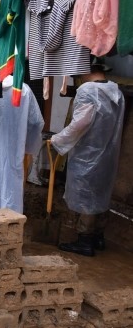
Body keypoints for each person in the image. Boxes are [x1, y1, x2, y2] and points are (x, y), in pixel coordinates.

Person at [51, 59, 125, 257]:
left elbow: (80, 124)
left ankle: (84, 240)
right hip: (108, 153)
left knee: (87, 196)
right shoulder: (116, 91)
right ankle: (98, 237)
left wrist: (58, 139)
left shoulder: (88, 91)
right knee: (101, 193)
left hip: (87, 154)